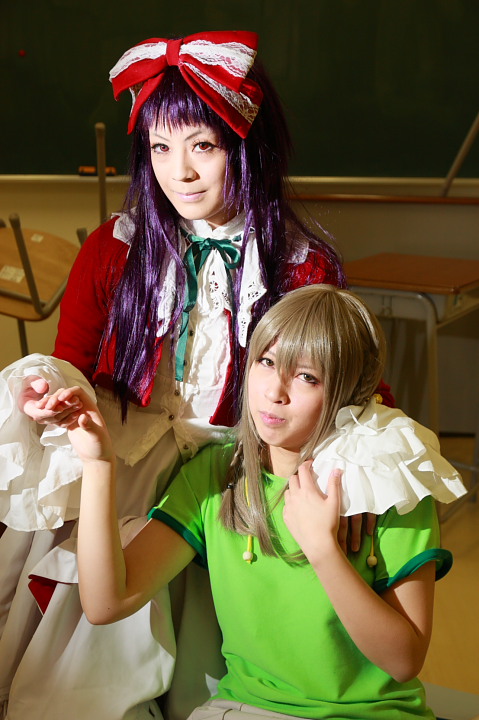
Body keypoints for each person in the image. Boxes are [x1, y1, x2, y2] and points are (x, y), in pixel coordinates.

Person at [0, 32, 391, 720]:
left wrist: (358, 465)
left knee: (213, 668)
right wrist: (54, 394)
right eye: (159, 147)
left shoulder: (301, 262)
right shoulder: (113, 248)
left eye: (201, 146)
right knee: (91, 644)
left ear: (247, 146)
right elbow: (75, 361)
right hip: (132, 459)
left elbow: (345, 377)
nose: (178, 171)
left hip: (238, 469)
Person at [55, 284, 464, 720]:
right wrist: (98, 464)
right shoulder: (216, 474)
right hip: (242, 708)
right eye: (266, 362)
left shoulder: (389, 487)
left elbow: (404, 661)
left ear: (349, 393)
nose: (275, 392)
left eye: (307, 377)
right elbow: (106, 603)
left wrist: (323, 550)